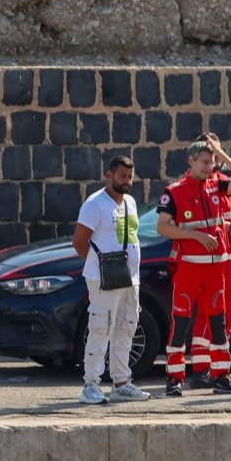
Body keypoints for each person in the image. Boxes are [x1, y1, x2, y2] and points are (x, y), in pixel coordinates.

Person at [156, 134, 231, 397]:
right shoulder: (174, 191)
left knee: (218, 324)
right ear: (190, 161)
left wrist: (222, 155)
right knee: (180, 324)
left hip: (216, 269)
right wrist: (197, 236)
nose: (208, 166)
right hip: (189, 268)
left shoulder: (216, 186)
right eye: (203, 162)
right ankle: (174, 378)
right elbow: (163, 227)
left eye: (211, 162)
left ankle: (221, 376)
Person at [72, 155, 150, 403]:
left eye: (130, 176)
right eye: (122, 176)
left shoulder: (130, 202)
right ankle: (91, 384)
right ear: (109, 175)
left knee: (127, 326)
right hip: (104, 277)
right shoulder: (95, 204)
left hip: (129, 277)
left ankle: (121, 382)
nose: (127, 181)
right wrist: (96, 267)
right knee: (100, 326)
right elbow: (79, 241)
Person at [188, 172, 231, 386]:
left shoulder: (226, 185)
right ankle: (200, 369)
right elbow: (199, 221)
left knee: (225, 318)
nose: (213, 160)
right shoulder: (203, 186)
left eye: (216, 154)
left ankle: (219, 368)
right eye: (209, 155)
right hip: (219, 261)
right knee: (209, 315)